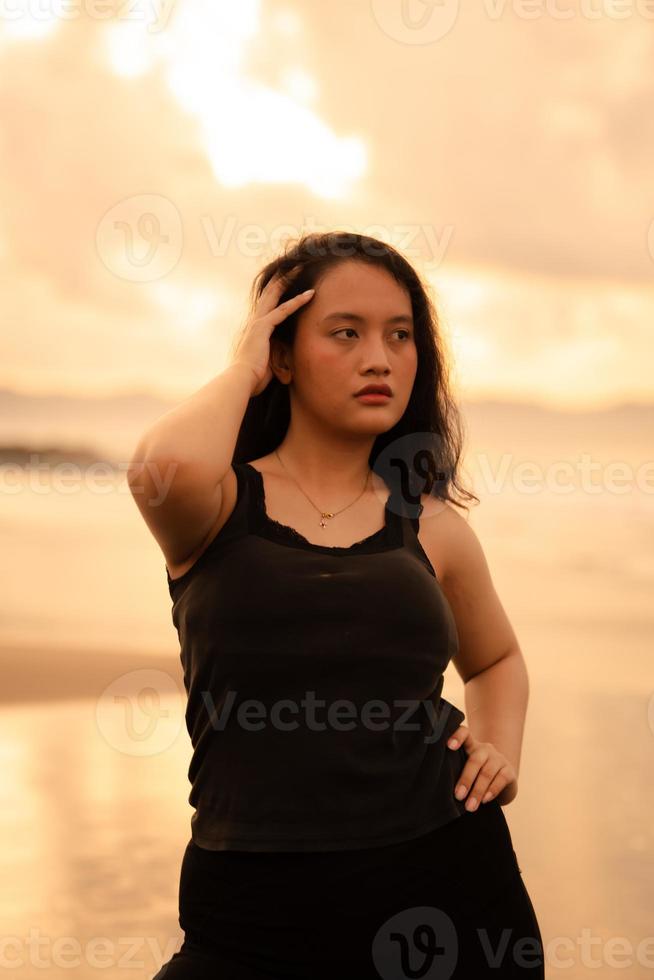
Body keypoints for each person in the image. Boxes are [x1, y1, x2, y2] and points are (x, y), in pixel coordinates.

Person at [128, 232, 545, 978]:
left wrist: (500, 753)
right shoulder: (217, 503)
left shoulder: (434, 524)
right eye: (345, 333)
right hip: (249, 898)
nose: (379, 358)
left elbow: (496, 659)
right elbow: (163, 465)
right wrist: (243, 365)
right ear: (284, 356)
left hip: (442, 887)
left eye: (400, 335)